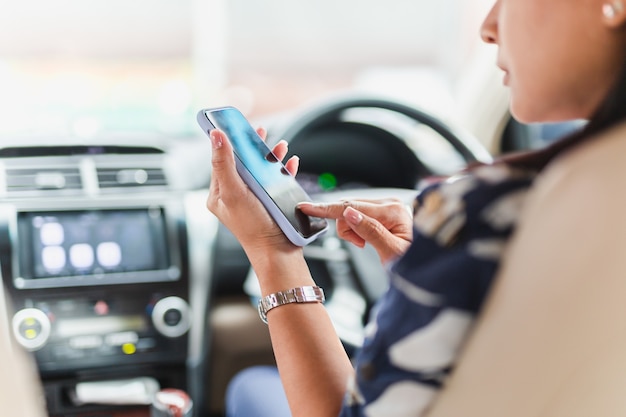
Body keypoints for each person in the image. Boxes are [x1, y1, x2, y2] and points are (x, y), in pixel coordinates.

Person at [207, 0, 626, 415]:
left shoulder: (488, 213)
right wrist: (438, 274)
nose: (488, 26)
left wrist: (272, 253)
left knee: (251, 387)